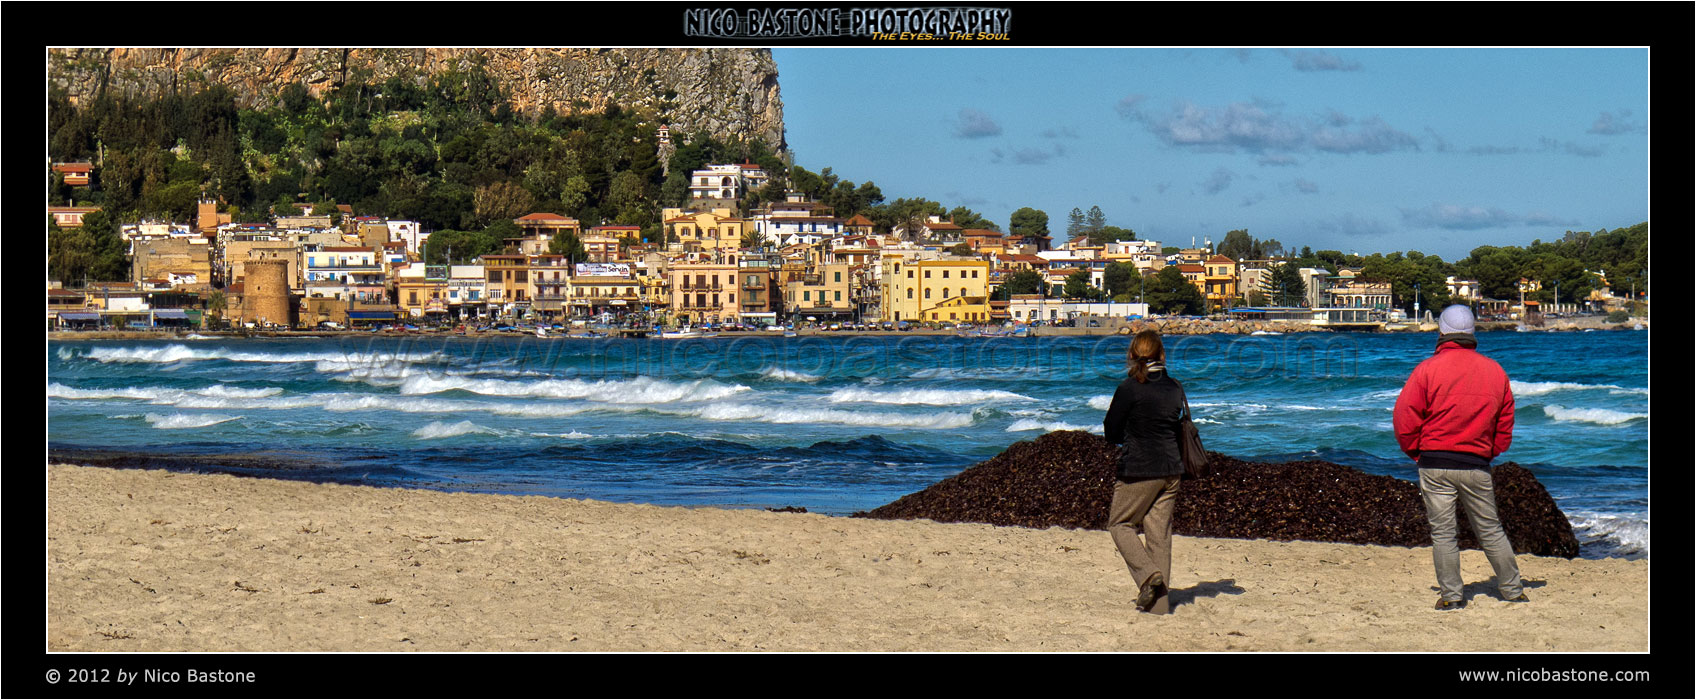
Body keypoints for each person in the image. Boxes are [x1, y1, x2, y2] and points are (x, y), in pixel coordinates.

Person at [1394, 304, 1528, 611]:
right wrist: (1491, 451)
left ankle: (1452, 597)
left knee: (1443, 533)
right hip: (1476, 463)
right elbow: (1505, 422)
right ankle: (1513, 590)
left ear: (1442, 331)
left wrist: (1415, 450)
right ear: (1472, 333)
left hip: (1434, 461)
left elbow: (1405, 417)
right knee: (1490, 529)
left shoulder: (1427, 369)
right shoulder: (1495, 370)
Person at [1102, 329, 1187, 615]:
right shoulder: (1175, 387)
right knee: (1159, 535)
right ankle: (1160, 605)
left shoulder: (1129, 388)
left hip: (1139, 468)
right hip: (1172, 469)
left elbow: (1111, 430)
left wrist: (1129, 435)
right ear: (1161, 354)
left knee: (1120, 525)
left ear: (1131, 355)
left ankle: (1149, 576)